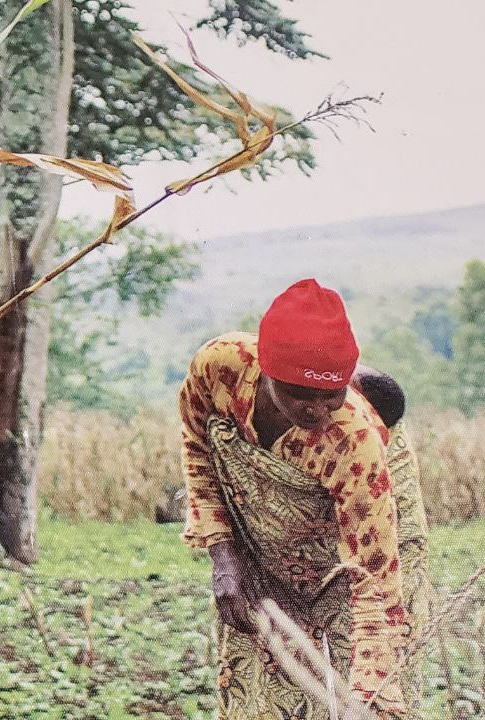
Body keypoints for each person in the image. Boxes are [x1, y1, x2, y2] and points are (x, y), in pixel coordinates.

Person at [179, 278, 430, 720]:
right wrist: (224, 554)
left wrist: (367, 701)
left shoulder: (352, 441)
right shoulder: (221, 365)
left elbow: (375, 581)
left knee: (352, 678)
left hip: (359, 529)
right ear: (266, 370)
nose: (317, 411)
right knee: (261, 675)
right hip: (263, 541)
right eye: (300, 394)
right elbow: (197, 442)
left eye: (332, 394)